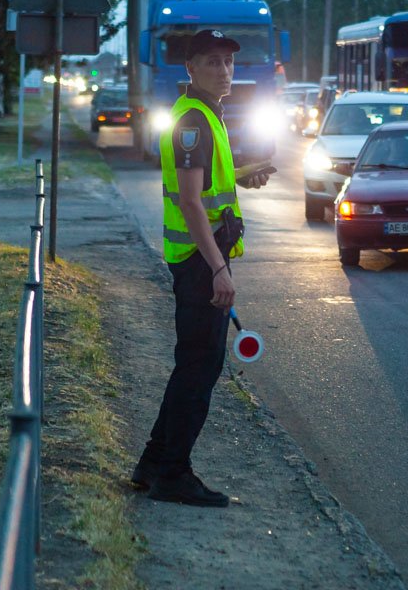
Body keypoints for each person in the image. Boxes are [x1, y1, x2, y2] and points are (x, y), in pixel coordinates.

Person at [132, 28, 274, 508]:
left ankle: (153, 463)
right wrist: (218, 269)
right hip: (198, 262)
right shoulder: (193, 120)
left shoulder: (204, 115)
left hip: (198, 259)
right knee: (200, 367)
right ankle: (172, 474)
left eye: (229, 62)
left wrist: (238, 176)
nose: (224, 70)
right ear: (189, 68)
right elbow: (191, 203)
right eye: (212, 62)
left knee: (192, 364)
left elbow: (201, 186)